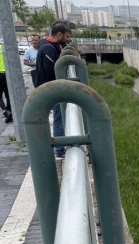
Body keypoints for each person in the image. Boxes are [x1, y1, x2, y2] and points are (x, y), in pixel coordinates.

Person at [36, 23, 72, 158]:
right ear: (59, 34)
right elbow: (53, 70)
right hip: (52, 88)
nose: (67, 40)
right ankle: (59, 150)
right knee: (59, 118)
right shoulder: (48, 49)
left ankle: (59, 147)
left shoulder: (49, 46)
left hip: (51, 87)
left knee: (59, 116)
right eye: (66, 37)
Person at [0, 43, 10, 123]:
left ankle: (5, 111)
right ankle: (10, 111)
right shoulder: (4, 47)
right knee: (8, 95)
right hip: (7, 74)